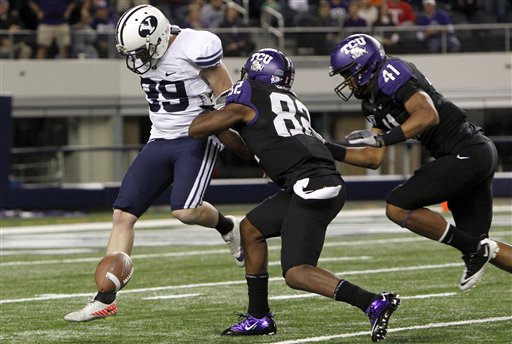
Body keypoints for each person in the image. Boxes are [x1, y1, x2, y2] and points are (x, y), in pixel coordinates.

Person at [188, 48, 400, 342]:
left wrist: (202, 110)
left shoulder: (248, 93)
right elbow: (248, 150)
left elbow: (197, 129)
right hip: (311, 181)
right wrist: (222, 124)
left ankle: (372, 302)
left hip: (311, 185)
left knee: (297, 272)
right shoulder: (291, 101)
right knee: (250, 230)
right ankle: (259, 316)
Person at [64, 4, 246, 322]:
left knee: (185, 211)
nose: (137, 59)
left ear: (160, 38)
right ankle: (105, 298)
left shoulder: (195, 47)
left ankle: (228, 226)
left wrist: (236, 137)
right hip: (159, 137)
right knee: (123, 214)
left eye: (141, 50)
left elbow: (228, 97)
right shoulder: (148, 52)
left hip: (197, 136)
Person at [327, 33, 512, 291]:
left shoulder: (389, 72)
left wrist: (382, 139)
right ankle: (474, 248)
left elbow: (428, 115)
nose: (347, 82)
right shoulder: (371, 103)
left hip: (466, 152)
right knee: (483, 246)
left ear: (364, 66)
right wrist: (327, 149)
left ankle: (472, 249)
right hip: (471, 155)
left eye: (348, 73)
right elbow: (373, 159)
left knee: (397, 206)